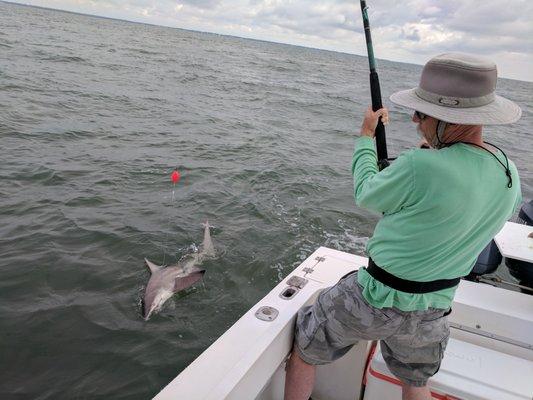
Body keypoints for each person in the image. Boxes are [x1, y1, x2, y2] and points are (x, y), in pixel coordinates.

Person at [284, 53, 523, 400]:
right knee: (415, 383)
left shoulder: (421, 165)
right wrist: (436, 157)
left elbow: (367, 193)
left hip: (374, 298)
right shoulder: (509, 173)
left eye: (422, 113)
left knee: (306, 346)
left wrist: (366, 136)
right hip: (433, 311)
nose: (414, 119)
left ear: (447, 117)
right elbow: (462, 206)